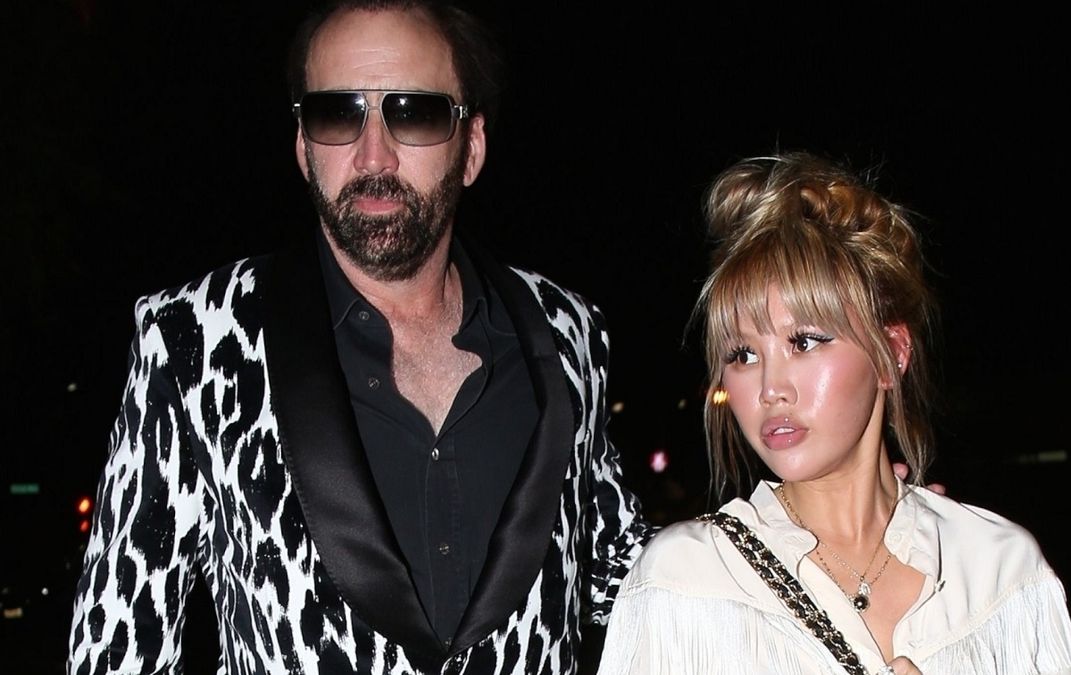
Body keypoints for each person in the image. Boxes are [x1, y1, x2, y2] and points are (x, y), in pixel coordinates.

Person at [67, 1, 649, 673]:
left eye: (415, 113)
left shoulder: (566, 331)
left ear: (471, 148)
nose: (374, 153)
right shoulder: (193, 340)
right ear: (302, 146)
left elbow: (631, 585)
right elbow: (117, 650)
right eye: (338, 114)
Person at [597, 152, 1071, 674]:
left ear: (891, 354)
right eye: (743, 355)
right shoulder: (685, 582)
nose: (770, 389)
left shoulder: (1000, 572)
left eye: (804, 341)